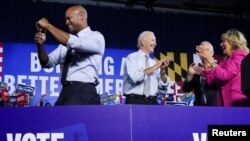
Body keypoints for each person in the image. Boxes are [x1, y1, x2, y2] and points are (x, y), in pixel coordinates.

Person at [34, 5, 105, 105]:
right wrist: (40, 46)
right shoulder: (64, 45)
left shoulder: (96, 37)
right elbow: (47, 63)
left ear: (81, 16)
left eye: (68, 18)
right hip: (65, 91)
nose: (66, 22)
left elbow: (75, 43)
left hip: (83, 90)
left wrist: (48, 26)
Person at [196, 29, 250, 107]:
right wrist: (206, 67)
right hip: (224, 104)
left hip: (237, 103)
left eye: (224, 41)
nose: (221, 44)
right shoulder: (224, 61)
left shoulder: (240, 54)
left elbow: (225, 75)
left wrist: (210, 59)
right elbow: (213, 82)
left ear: (233, 42)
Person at [123, 31, 171, 105]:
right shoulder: (131, 58)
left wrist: (162, 69)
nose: (155, 44)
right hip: (135, 101)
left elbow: (163, 86)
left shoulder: (153, 62)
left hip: (153, 101)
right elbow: (135, 77)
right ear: (143, 42)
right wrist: (155, 67)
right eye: (153, 40)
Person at [182, 41, 217, 106]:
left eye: (206, 50)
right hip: (198, 110)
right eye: (201, 50)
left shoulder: (218, 69)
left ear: (212, 53)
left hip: (216, 109)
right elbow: (186, 89)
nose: (203, 52)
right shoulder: (197, 70)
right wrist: (190, 75)